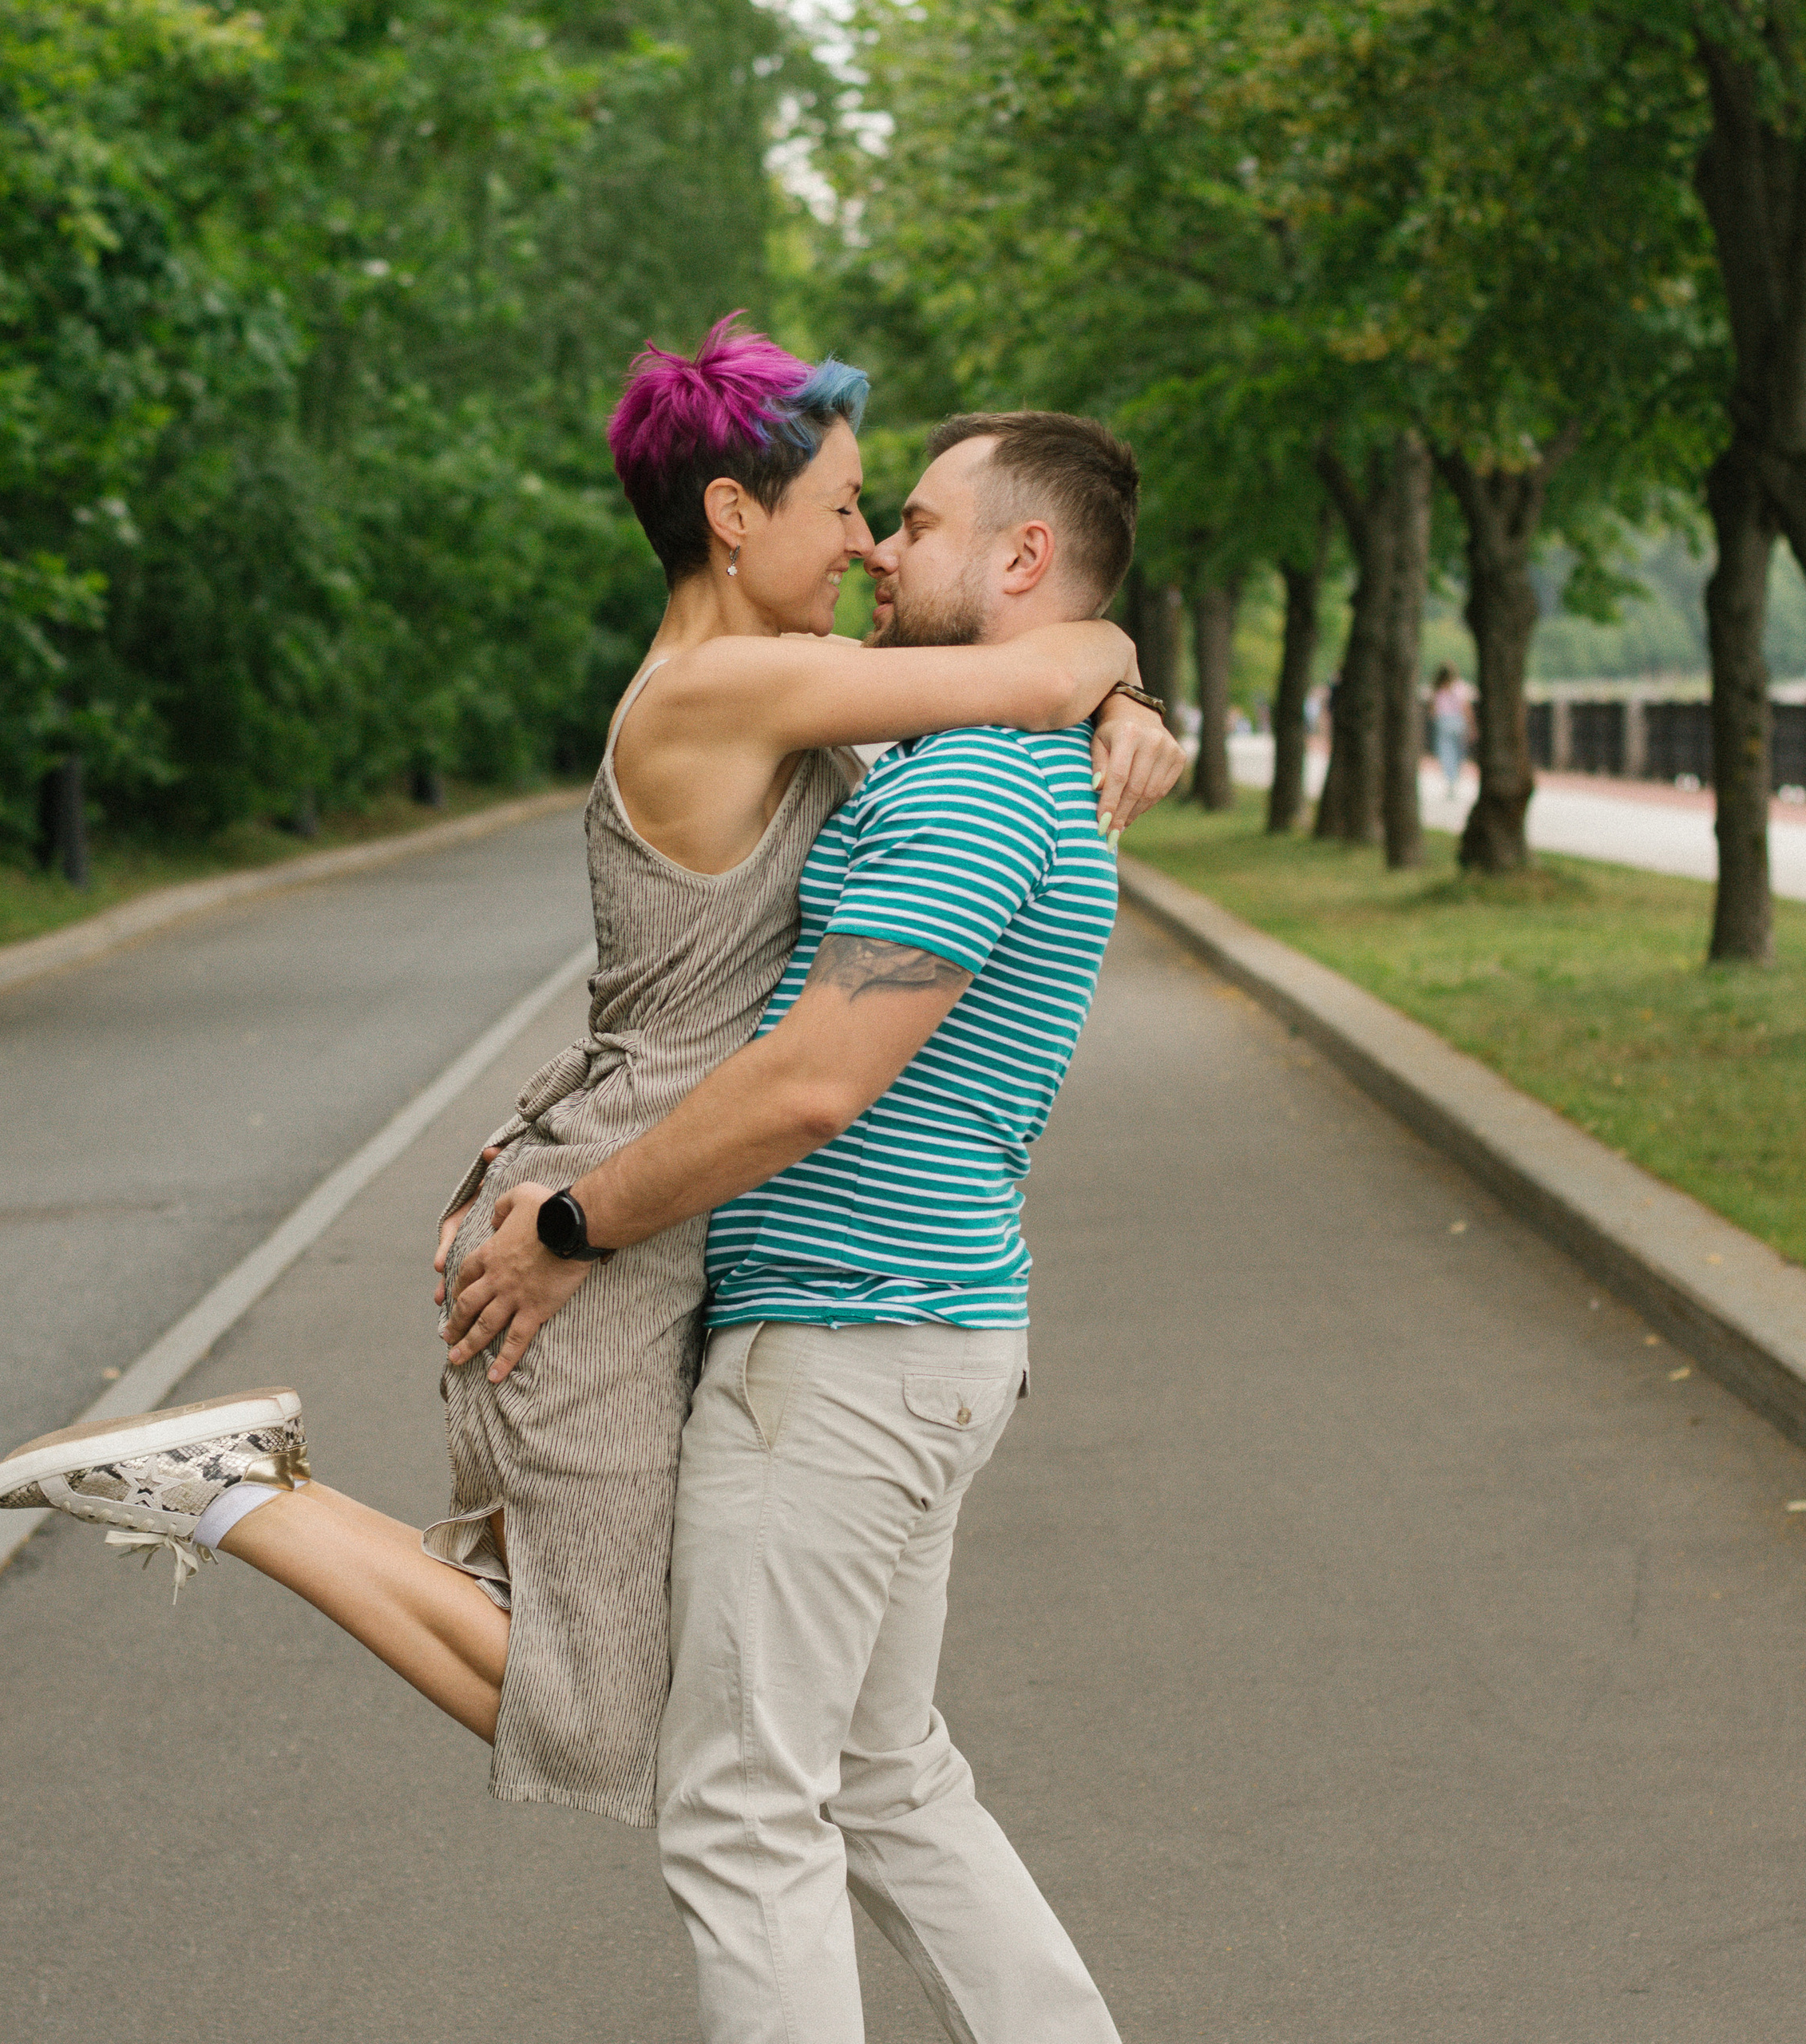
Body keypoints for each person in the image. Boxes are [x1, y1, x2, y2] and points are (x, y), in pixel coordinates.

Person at [0, 322, 1183, 1838]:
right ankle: (236, 1495)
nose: (872, 548)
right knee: (618, 1714)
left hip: (668, 1209)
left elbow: (1014, 664)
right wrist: (1117, 672)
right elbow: (1039, 668)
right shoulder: (718, 691)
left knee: (662, 1688)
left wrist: (1111, 696)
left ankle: (240, 1487)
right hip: (601, 1216)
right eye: (843, 508)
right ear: (736, 518)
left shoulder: (800, 676)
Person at [439, 410, 1144, 2040]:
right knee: (884, 1775)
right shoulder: (998, 757)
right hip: (924, 1337)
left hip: (838, 1351)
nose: (880, 548)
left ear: (1019, 557)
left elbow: (805, 1086)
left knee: (744, 1814)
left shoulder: (964, 792)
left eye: (908, 519)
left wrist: (567, 1219)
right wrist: (1112, 669)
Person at [1431, 661, 1472, 798]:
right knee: (1458, 752)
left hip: (1443, 721)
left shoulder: (1437, 689)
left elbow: (1433, 710)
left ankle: (1450, 779)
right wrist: (1471, 725)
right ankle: (1454, 778)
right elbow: (1466, 708)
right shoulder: (1460, 687)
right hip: (1458, 722)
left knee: (1446, 751)